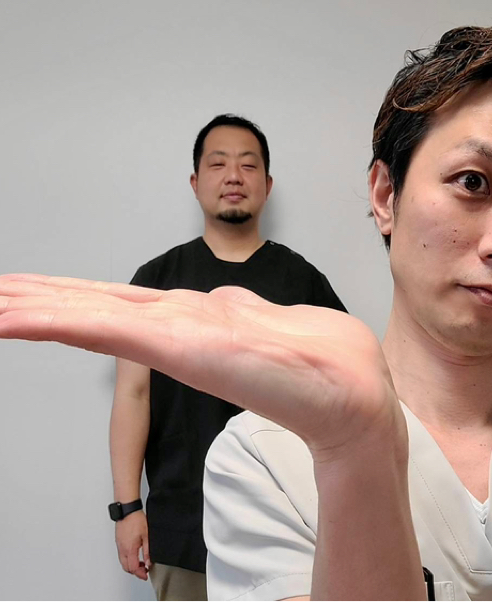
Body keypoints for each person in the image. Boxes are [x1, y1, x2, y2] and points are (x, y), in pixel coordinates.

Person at [0, 14, 492, 601]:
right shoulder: (244, 438)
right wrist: (129, 507)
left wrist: (359, 432)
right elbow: (133, 397)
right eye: (473, 181)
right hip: (186, 514)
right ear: (385, 194)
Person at [111, 114, 347, 600]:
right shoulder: (156, 281)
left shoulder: (304, 283)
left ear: (267, 184)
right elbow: (133, 395)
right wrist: (127, 508)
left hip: (289, 524)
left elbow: (345, 397)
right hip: (182, 525)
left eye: (248, 165)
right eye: (218, 164)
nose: (234, 176)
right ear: (196, 182)